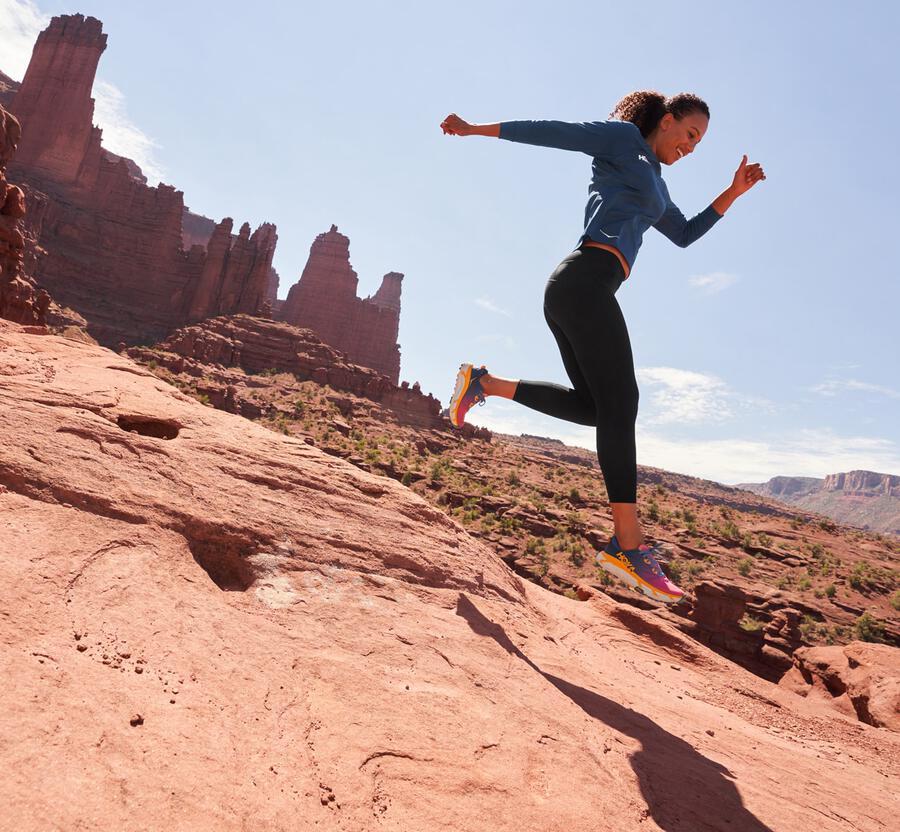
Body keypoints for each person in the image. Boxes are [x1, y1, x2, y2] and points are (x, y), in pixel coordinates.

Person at [441, 91, 765, 604]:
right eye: (689, 134)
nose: (691, 146)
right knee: (623, 405)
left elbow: (683, 233)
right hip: (584, 280)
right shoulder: (622, 141)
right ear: (665, 120)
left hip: (583, 290)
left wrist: (732, 193)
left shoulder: (656, 182)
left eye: (699, 142)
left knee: (599, 410)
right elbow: (556, 132)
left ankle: (485, 383)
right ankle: (627, 544)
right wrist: (477, 128)